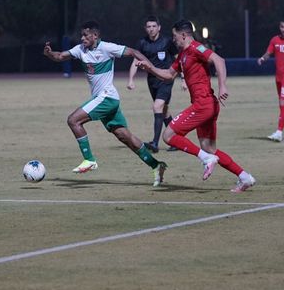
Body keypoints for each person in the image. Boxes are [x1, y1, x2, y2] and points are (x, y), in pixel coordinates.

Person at [135, 19, 256, 193]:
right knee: (209, 148)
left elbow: (219, 60)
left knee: (168, 135)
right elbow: (169, 75)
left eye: (175, 36)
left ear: (184, 35)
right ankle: (245, 177)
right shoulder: (183, 54)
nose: (173, 39)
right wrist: (150, 68)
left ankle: (206, 159)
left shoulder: (196, 48)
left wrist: (223, 85)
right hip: (206, 105)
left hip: (203, 104)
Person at [43, 20, 168, 187]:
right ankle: (156, 165)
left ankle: (89, 159)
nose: (82, 38)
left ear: (95, 36)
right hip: (106, 100)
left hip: (106, 97)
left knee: (73, 120)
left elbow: (133, 51)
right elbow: (60, 56)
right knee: (125, 137)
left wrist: (151, 68)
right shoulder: (80, 50)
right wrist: (49, 54)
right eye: (81, 35)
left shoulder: (107, 48)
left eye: (86, 35)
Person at [127, 15, 180, 153]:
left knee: (157, 107)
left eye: (154, 26)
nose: (151, 29)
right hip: (152, 80)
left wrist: (184, 79)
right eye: (148, 27)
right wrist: (131, 80)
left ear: (159, 27)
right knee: (164, 111)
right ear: (145, 28)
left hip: (166, 79)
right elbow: (134, 62)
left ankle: (155, 143)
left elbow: (178, 59)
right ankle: (177, 140)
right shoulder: (142, 43)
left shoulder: (167, 41)